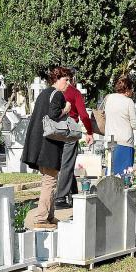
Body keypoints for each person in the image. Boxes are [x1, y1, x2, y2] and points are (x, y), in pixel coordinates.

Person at [21, 66, 73, 229]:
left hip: (39, 143)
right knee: (49, 181)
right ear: (57, 79)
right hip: (48, 145)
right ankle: (42, 218)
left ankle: (50, 215)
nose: (68, 83)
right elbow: (53, 115)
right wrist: (66, 109)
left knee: (50, 179)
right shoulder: (57, 94)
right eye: (66, 79)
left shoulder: (44, 93)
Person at [55, 73, 94, 208]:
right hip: (70, 129)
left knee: (67, 162)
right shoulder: (74, 92)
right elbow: (83, 114)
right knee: (67, 164)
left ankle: (73, 193)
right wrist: (89, 132)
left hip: (55, 130)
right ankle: (60, 197)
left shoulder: (54, 90)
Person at [104, 76, 136, 175]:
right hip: (125, 141)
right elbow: (134, 124)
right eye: (131, 88)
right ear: (127, 89)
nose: (132, 91)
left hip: (110, 139)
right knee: (124, 173)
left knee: (110, 169)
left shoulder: (109, 98)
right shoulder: (128, 102)